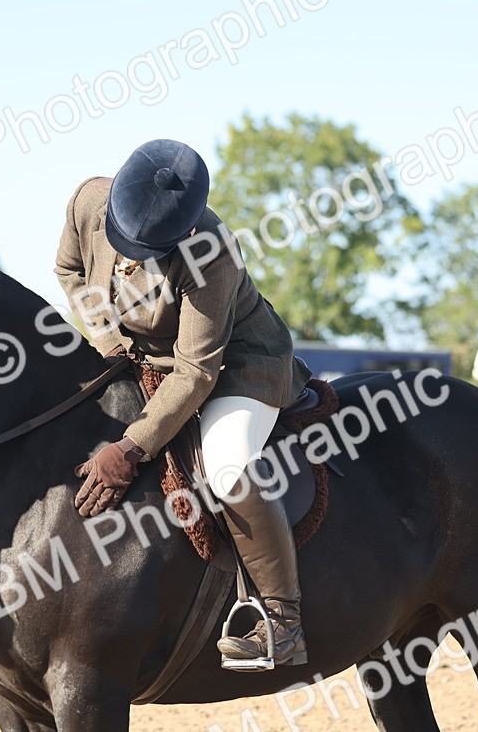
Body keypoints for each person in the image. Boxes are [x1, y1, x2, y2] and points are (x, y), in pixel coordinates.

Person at [54, 138, 313, 667]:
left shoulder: (210, 251)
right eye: (122, 239)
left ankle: (283, 622)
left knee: (227, 468)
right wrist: (109, 343)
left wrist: (130, 448)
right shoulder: (87, 200)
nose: (128, 256)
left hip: (238, 365)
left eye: (145, 249)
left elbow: (197, 370)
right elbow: (71, 273)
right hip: (142, 355)